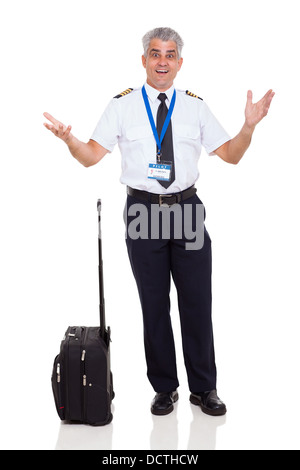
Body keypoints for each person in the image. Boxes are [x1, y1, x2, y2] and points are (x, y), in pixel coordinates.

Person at [43, 27, 274, 417]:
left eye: (170, 55)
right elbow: (90, 156)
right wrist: (70, 140)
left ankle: (205, 389)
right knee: (154, 306)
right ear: (144, 60)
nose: (162, 61)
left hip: (186, 209)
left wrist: (249, 127)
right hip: (142, 211)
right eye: (155, 54)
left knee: (197, 303)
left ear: (180, 63)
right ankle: (164, 388)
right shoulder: (122, 105)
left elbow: (231, 155)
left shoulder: (196, 106)